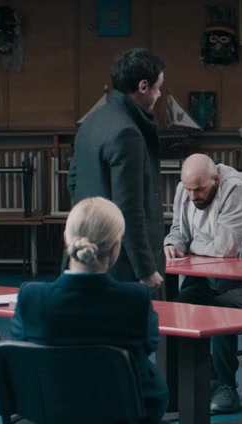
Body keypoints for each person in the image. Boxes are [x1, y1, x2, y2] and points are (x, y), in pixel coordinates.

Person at [11, 197, 168, 424]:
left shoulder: (31, 297)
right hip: (125, 414)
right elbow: (149, 345)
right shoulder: (134, 299)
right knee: (112, 391)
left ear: (66, 239)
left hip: (49, 413)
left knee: (76, 384)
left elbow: (23, 348)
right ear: (116, 247)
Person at [164, 153, 242, 415]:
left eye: (199, 189)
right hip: (211, 279)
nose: (193, 196)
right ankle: (195, 380)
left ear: (216, 179)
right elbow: (178, 230)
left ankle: (226, 386)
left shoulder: (234, 188)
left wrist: (189, 245)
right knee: (177, 308)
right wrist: (172, 242)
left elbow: (225, 249)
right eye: (189, 189)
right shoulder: (185, 189)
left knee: (220, 310)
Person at [67, 48, 167, 292]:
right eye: (158, 88)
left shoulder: (91, 122)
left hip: (87, 256)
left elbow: (73, 182)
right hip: (122, 266)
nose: (159, 94)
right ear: (143, 86)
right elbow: (129, 209)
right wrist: (145, 268)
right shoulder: (127, 133)